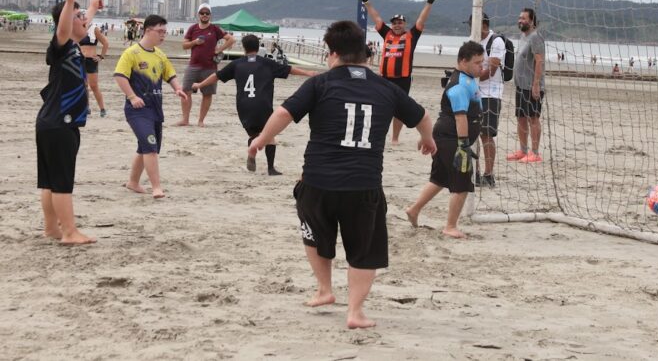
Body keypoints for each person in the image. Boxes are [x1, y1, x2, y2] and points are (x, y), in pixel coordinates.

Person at [248, 20, 436, 329]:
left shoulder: (320, 84)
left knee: (314, 234)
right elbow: (423, 117)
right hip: (364, 184)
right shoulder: (386, 87)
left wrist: (261, 140)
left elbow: (283, 113)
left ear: (331, 53)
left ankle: (325, 289)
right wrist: (427, 140)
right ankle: (355, 312)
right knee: (364, 250)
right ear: (367, 55)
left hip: (318, 182)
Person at [192, 34, 317, 175]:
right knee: (270, 136)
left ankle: (252, 150)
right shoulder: (267, 63)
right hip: (262, 105)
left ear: (244, 48)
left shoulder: (236, 64)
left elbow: (217, 76)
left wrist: (199, 84)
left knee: (254, 133)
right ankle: (271, 168)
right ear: (258, 47)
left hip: (243, 106)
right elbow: (289, 69)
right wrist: (307, 73)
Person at [36, 0, 101, 245]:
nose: (83, 18)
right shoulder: (61, 46)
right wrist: (69, 1)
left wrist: (92, 7)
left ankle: (51, 228)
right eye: (78, 15)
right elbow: (64, 28)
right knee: (62, 181)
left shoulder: (74, 45)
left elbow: (79, 24)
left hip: (51, 122)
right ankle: (69, 232)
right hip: (59, 122)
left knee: (50, 181)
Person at [406, 41, 485, 239]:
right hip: (452, 139)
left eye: (482, 62)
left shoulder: (466, 77)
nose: (481, 67)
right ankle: (450, 226)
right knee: (462, 182)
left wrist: (430, 136)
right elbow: (460, 117)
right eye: (477, 63)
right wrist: (463, 145)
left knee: (440, 178)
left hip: (444, 136)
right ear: (463, 61)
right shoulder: (459, 85)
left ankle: (414, 209)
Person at [114, 15, 188, 199]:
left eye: (165, 31)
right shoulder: (131, 53)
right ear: (148, 31)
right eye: (160, 31)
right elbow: (120, 76)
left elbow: (169, 74)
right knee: (150, 147)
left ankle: (133, 182)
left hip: (155, 108)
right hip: (137, 110)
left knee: (145, 147)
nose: (163, 35)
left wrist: (178, 88)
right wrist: (132, 96)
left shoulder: (159, 54)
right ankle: (156, 187)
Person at [359, 0, 436, 144]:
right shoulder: (386, 33)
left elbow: (421, 20)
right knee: (380, 106)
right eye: (394, 23)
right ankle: (377, 134)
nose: (396, 25)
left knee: (399, 110)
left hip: (403, 79)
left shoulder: (411, 36)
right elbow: (376, 18)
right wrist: (366, 2)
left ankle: (395, 138)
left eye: (399, 23)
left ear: (404, 24)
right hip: (385, 78)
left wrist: (429, 3)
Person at [177, 3, 235, 127]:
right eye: (202, 13)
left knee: (207, 94)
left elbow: (231, 39)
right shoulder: (193, 28)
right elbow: (184, 45)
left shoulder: (215, 29)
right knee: (185, 91)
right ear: (198, 15)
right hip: (193, 65)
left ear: (210, 15)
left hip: (210, 66)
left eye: (207, 13)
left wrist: (219, 49)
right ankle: (185, 120)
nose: (204, 15)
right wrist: (195, 42)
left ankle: (201, 121)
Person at [469, 12, 506, 188]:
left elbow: (491, 69)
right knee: (472, 133)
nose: (471, 28)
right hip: (474, 93)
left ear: (483, 24)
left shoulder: (496, 41)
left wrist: (473, 76)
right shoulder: (472, 40)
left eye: (473, 24)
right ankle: (474, 172)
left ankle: (489, 174)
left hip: (491, 94)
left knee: (486, 134)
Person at [506, 8, 545, 163]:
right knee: (521, 118)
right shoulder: (523, 36)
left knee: (533, 118)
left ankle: (535, 153)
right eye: (519, 17)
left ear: (532, 20)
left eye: (523, 18)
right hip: (520, 85)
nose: (520, 20)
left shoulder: (536, 37)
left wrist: (536, 84)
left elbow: (539, 61)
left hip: (532, 86)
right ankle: (523, 150)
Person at [79, 22, 109, 117]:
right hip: (80, 60)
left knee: (94, 86)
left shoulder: (94, 28)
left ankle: (102, 108)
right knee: (84, 86)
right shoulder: (79, 28)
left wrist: (101, 56)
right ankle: (86, 107)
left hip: (91, 60)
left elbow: (105, 43)